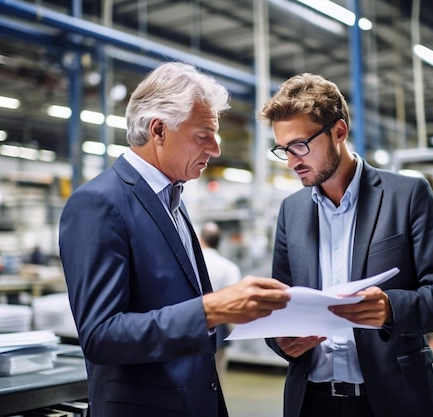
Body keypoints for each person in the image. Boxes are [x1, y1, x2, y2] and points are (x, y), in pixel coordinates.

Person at [59, 62, 290, 417]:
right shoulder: (99, 203)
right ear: (158, 130)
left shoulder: (172, 202)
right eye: (203, 135)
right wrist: (212, 309)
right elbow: (101, 336)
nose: (215, 148)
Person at [258, 73, 433, 417]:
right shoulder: (291, 211)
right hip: (312, 401)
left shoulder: (407, 195)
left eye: (300, 146)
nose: (292, 161)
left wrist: (389, 309)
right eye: (283, 149)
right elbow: (281, 304)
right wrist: (281, 342)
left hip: (391, 399)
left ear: (339, 132)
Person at [199, 221, 242, 384]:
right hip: (219, 331)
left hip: (190, 326)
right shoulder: (229, 267)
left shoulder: (190, 262)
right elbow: (235, 302)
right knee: (216, 376)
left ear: (200, 239)